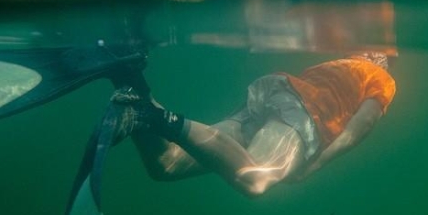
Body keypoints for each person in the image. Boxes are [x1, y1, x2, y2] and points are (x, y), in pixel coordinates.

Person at [109, 51, 396, 197]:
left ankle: (132, 84)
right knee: (256, 179)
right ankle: (152, 116)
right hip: (305, 113)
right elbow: (361, 126)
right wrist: (315, 165)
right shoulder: (382, 79)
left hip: (273, 91)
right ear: (383, 61)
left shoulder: (338, 63)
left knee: (168, 165)